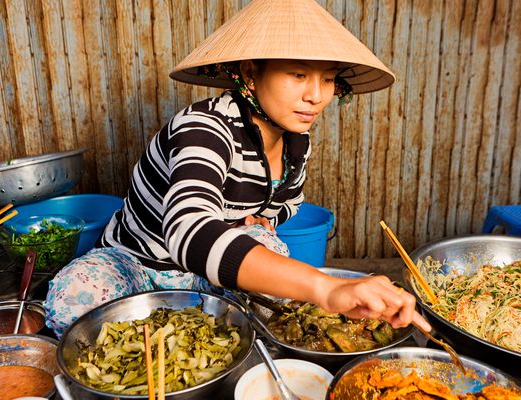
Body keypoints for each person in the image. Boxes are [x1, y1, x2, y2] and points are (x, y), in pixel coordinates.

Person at [44, 0, 431, 337]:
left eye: (327, 79)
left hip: (206, 273)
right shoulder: (203, 128)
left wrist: (263, 220)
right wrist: (327, 288)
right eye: (298, 75)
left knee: (276, 292)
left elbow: (287, 203)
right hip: (136, 263)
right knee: (74, 304)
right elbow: (187, 232)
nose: (316, 96)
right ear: (250, 73)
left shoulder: (298, 141)